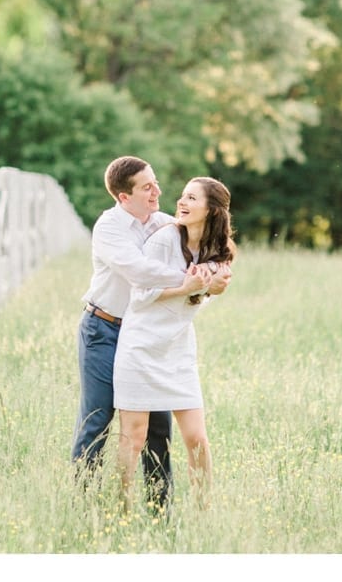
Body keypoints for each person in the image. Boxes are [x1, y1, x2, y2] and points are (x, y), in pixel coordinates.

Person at [72, 156, 230, 511]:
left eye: (155, 182)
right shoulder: (109, 228)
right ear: (123, 197)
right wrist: (193, 282)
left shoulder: (162, 224)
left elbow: (199, 242)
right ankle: (85, 505)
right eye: (147, 187)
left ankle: (160, 509)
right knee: (98, 419)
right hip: (105, 328)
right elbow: (141, 273)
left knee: (158, 430)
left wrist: (214, 276)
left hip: (145, 333)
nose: (158, 191)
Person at [115, 177, 238, 510]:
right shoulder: (165, 239)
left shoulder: (218, 250)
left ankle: (203, 511)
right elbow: (140, 295)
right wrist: (187, 289)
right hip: (140, 346)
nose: (181, 202)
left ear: (211, 210)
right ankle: (121, 512)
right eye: (182, 196)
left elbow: (203, 296)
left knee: (196, 438)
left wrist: (209, 290)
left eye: (192, 198)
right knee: (134, 438)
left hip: (177, 349)